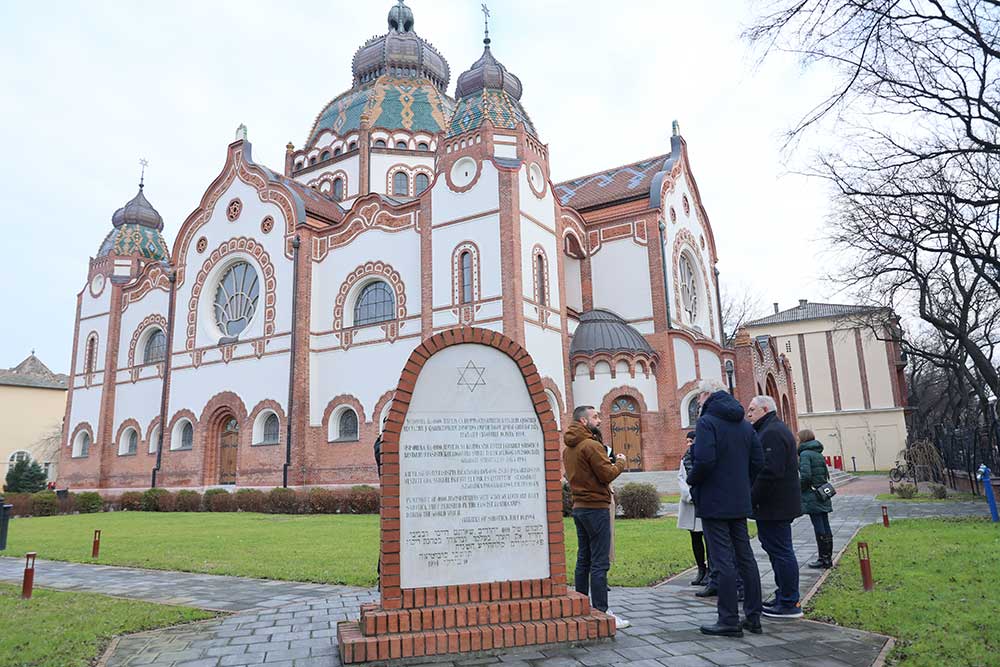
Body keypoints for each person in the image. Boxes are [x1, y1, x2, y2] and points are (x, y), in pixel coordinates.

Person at [688, 379, 764, 638]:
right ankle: (754, 617)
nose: (698, 402)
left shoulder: (707, 422)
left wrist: (692, 479)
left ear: (708, 395)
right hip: (739, 500)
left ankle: (729, 619)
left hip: (714, 501)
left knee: (723, 560)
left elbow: (704, 460)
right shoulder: (744, 424)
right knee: (745, 557)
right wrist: (743, 484)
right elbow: (758, 460)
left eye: (699, 397)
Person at [563, 405, 630, 629]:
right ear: (583, 421)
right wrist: (620, 461)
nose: (599, 420)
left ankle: (581, 606)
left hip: (579, 508)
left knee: (584, 558)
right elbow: (606, 474)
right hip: (596, 508)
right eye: (595, 417)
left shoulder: (568, 448)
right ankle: (602, 612)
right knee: (599, 562)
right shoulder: (591, 445)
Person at [746, 395, 803, 619]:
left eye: (752, 409)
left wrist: (752, 497)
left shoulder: (772, 432)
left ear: (765, 409)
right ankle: (784, 596)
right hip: (775, 504)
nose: (748, 413)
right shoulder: (770, 429)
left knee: (781, 551)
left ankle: (790, 602)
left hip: (775, 505)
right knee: (777, 550)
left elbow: (769, 472)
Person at [798, 429, 834, 569]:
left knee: (819, 526)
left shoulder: (805, 454)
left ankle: (823, 558)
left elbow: (806, 476)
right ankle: (827, 558)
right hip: (821, 493)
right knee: (825, 525)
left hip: (812, 495)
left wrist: (799, 489)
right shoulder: (817, 453)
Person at [677, 431, 709, 586]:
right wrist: (689, 495)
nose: (689, 444)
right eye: (687, 441)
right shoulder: (684, 459)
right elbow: (681, 478)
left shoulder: (704, 456)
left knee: (708, 539)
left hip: (704, 501)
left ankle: (711, 570)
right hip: (690, 502)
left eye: (692, 441)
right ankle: (701, 569)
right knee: (695, 538)